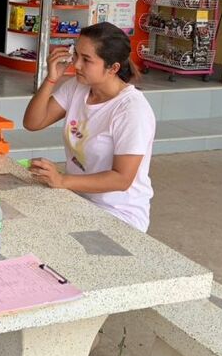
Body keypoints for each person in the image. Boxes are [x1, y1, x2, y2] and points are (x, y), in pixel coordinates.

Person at [22, 22, 156, 232]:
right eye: (76, 55)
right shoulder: (77, 87)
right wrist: (51, 79)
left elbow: (122, 179)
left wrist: (62, 180)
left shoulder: (132, 110)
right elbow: (33, 123)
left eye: (87, 59)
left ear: (113, 68)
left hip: (119, 214)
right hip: (77, 199)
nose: (76, 65)